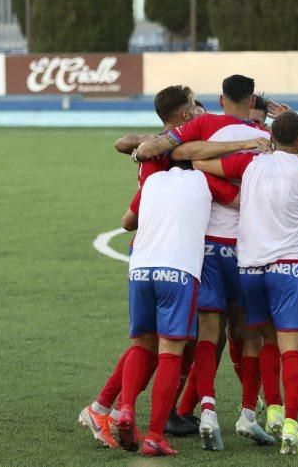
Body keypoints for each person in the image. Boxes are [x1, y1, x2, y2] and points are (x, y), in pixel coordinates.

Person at [78, 86, 268, 448]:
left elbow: (128, 201)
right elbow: (214, 175)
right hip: (179, 261)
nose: (204, 117)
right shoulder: (195, 172)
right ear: (185, 118)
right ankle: (132, 415)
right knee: (173, 345)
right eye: (198, 111)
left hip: (146, 257)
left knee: (152, 343)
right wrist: (240, 149)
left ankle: (125, 409)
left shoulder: (153, 167)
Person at [134, 74, 271, 452]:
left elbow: (169, 150)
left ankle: (206, 409)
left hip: (206, 248)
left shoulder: (205, 124)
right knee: (249, 333)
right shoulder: (264, 136)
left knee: (208, 333)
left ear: (222, 97)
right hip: (246, 247)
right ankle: (250, 412)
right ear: (253, 100)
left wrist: (148, 148)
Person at [194, 110, 298, 454]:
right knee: (290, 346)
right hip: (287, 266)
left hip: (250, 267)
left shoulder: (248, 165)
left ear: (270, 137)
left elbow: (201, 164)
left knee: (258, 339)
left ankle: (267, 408)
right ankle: (291, 425)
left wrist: (237, 186)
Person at [115, 163, 240, 456]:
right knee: (171, 352)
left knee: (141, 346)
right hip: (178, 270)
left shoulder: (153, 179)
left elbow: (126, 221)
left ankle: (126, 409)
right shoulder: (205, 180)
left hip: (140, 270)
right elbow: (240, 201)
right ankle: (155, 435)